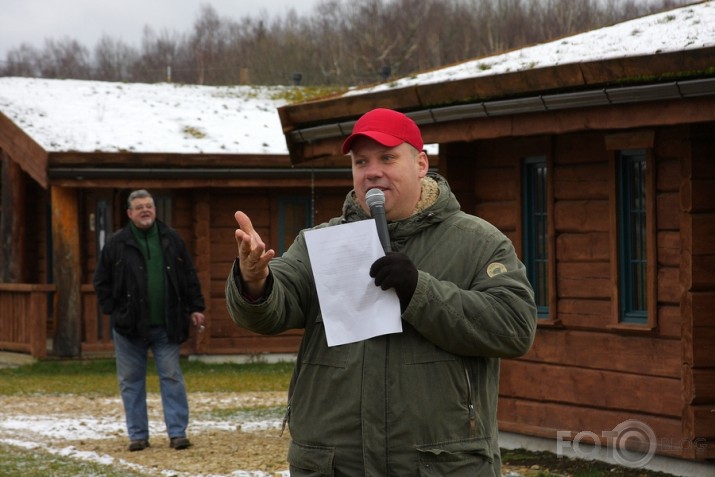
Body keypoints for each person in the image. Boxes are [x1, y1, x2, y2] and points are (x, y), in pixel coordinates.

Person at [225, 108, 537, 476]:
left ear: (421, 163)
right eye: (361, 162)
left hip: (440, 464)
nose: (372, 171)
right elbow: (275, 306)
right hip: (334, 463)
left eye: (387, 158)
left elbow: (514, 327)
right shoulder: (323, 244)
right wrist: (254, 280)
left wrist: (418, 290)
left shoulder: (478, 242)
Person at [93, 189, 206, 452]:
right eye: (139, 207)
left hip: (167, 324)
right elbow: (101, 280)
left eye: (149, 206)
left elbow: (189, 274)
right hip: (129, 326)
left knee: (172, 376)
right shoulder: (116, 243)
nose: (145, 210)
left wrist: (196, 307)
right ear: (129, 213)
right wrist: (113, 309)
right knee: (131, 381)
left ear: (155, 210)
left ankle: (177, 433)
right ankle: (138, 435)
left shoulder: (171, 239)